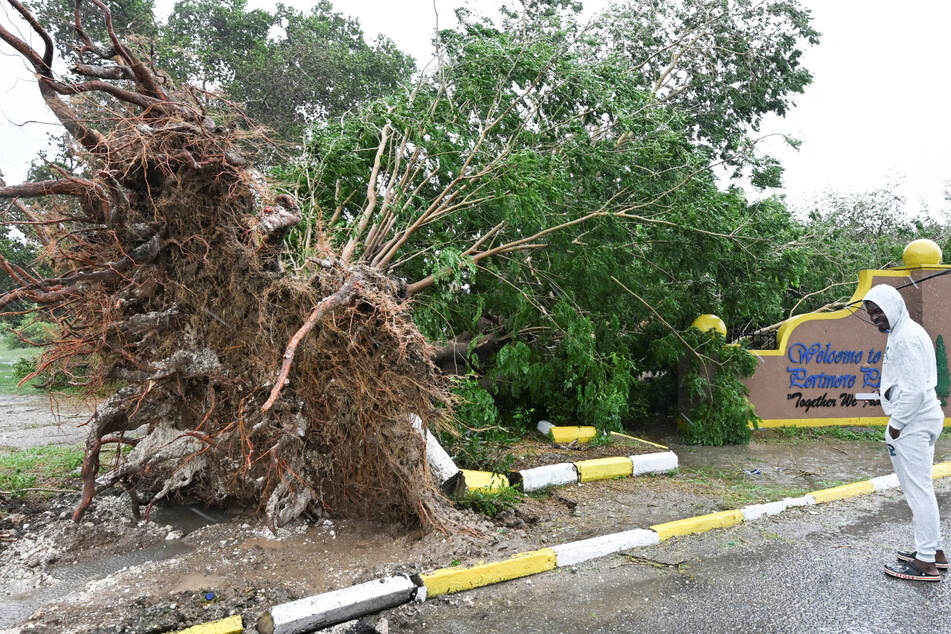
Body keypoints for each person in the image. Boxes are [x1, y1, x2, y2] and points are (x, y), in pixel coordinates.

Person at [863, 284, 947, 581]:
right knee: (922, 487)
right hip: (924, 418)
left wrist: (895, 427)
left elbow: (913, 390)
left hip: (912, 423)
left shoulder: (907, 339)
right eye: (871, 312)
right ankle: (933, 550)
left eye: (879, 311)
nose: (875, 317)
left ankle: (925, 563)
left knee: (917, 491)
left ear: (894, 306)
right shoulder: (906, 332)